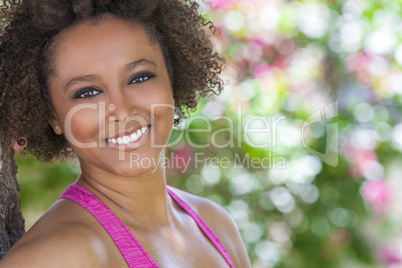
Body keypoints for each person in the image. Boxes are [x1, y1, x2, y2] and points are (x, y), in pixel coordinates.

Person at [0, 0, 251, 267]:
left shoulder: (215, 225)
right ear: (53, 116)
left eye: (139, 77)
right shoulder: (55, 256)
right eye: (88, 93)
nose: (122, 110)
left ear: (172, 78)